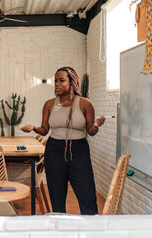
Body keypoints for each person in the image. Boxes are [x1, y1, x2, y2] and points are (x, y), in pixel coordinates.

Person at [20, 67, 105, 215]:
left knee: (87, 196)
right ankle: (59, 231)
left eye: (62, 80)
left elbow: (91, 131)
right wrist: (34, 128)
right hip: (54, 151)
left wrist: (97, 125)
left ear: (72, 82)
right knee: (57, 197)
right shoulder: (49, 104)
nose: (57, 84)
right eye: (56, 81)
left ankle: (92, 231)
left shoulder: (85, 104)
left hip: (79, 151)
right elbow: (45, 130)